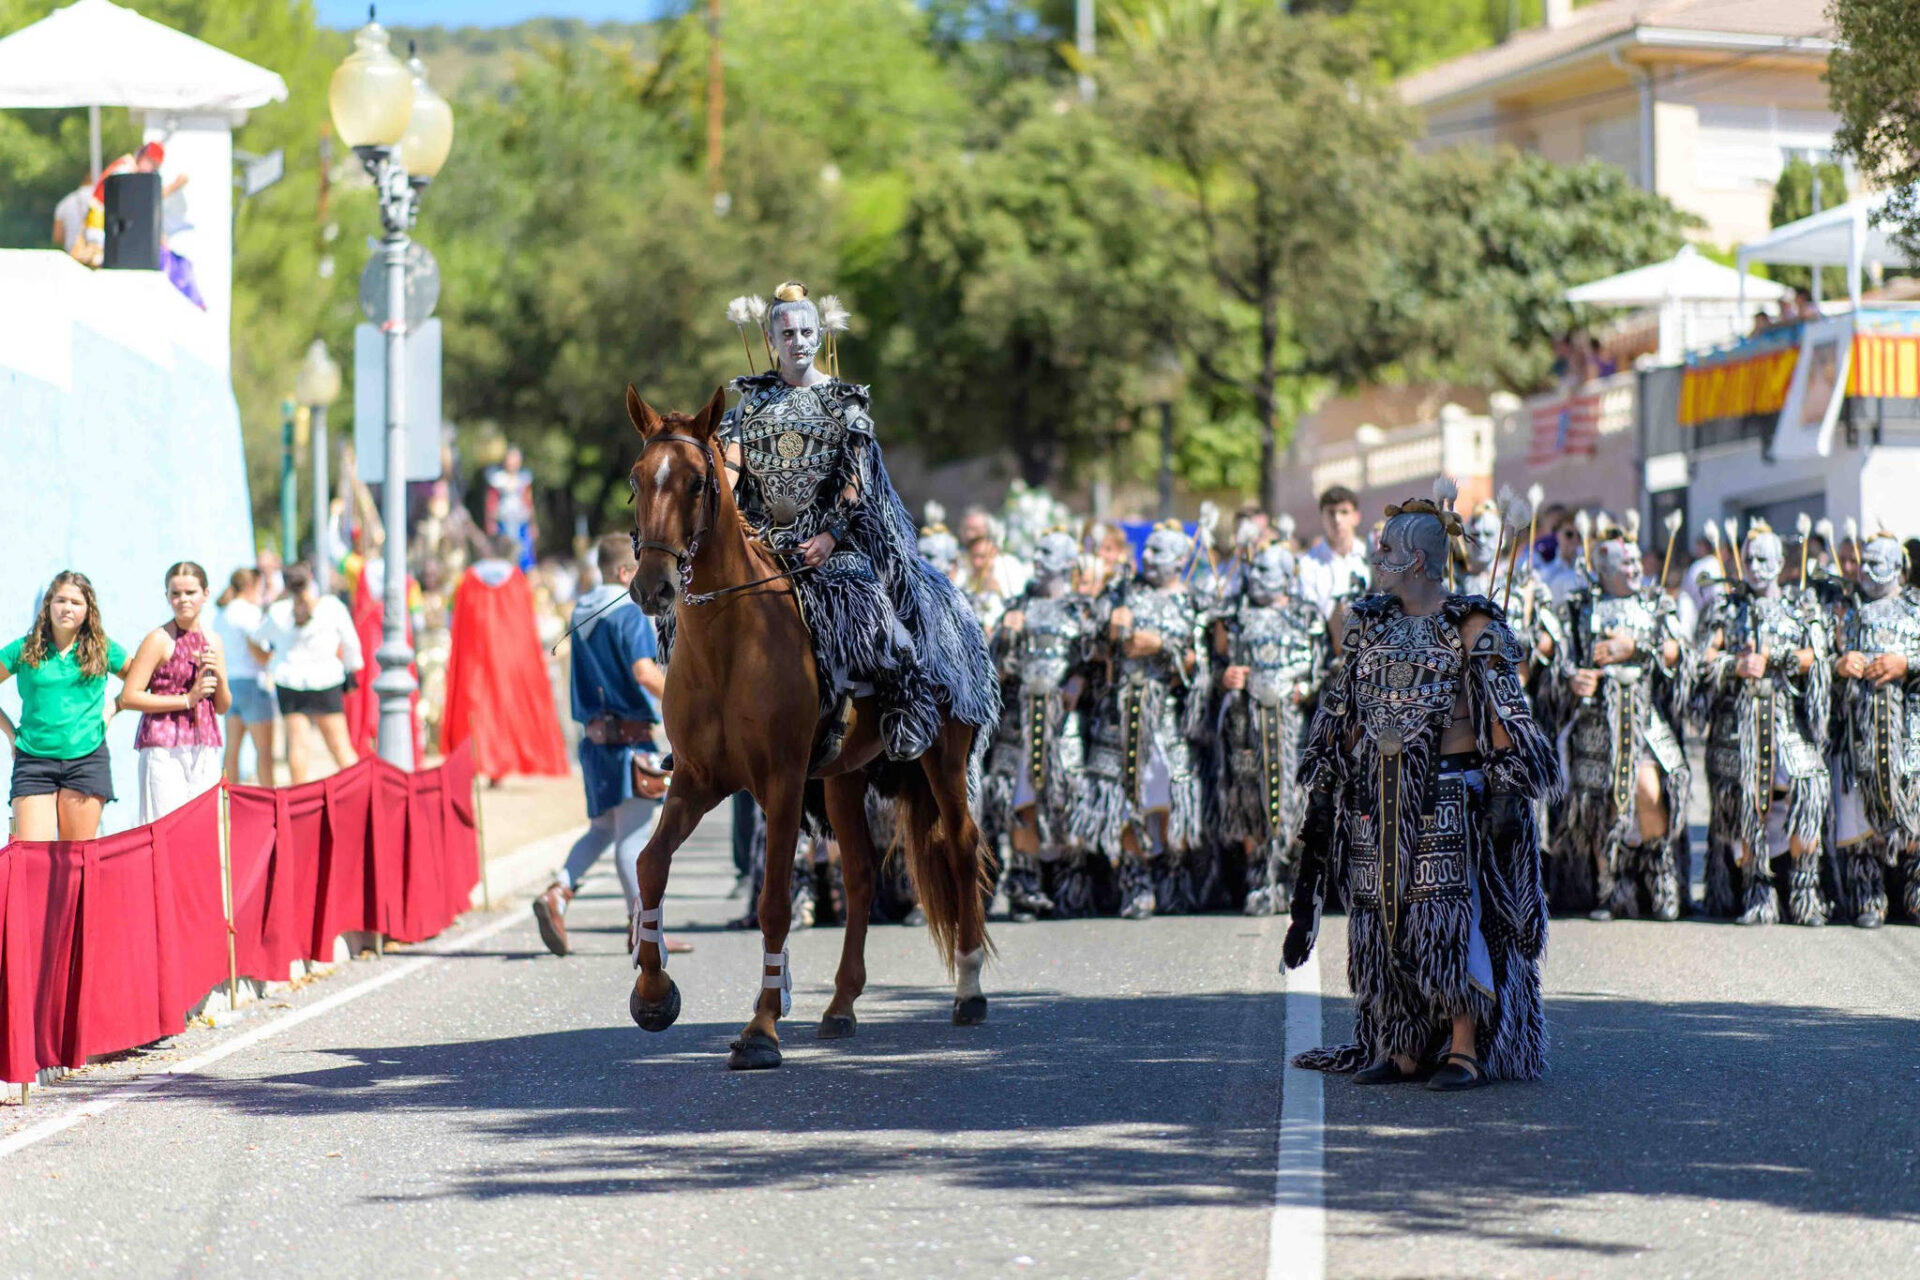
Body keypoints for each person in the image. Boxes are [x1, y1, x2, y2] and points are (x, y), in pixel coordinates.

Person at [1283, 482, 1561, 1091]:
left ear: (1414, 560)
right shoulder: (1367, 624)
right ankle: (1402, 1044)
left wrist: (1505, 795)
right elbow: (1343, 710)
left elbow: (1505, 717)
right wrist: (1325, 787)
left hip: (1447, 795)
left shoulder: (1473, 624)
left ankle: (1464, 1047)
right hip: (1375, 796)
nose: (1375, 557)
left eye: (1385, 550)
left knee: (1446, 920)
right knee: (1380, 920)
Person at [712, 282, 997, 762]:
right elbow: (732, 466)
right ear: (770, 339)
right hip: (761, 543)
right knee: (700, 604)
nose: (798, 342)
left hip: (832, 542)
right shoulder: (750, 401)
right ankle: (702, 723)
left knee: (872, 610)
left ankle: (906, 705)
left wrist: (831, 535)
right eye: (787, 334)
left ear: (820, 335)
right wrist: (723, 500)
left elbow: (855, 481)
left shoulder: (845, 400)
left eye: (807, 332)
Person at [532, 535, 690, 958]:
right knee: (633, 840)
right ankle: (644, 929)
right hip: (629, 742)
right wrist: (685, 699)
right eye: (638, 569)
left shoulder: (580, 612)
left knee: (603, 829)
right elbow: (644, 672)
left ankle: (559, 892)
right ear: (624, 573)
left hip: (595, 742)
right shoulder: (628, 611)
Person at [1547, 519, 1693, 920]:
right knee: (1599, 806)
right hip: (1595, 723)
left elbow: (1679, 651)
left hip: (1643, 717)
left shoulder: (1655, 603)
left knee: (1649, 791)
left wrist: (1634, 647)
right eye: (1624, 563)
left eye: (1635, 561)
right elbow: (1561, 660)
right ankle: (1611, 890)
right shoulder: (1580, 607)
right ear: (1603, 566)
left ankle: (1660, 880)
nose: (1634, 568)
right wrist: (1573, 678)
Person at [1694, 521, 1831, 925]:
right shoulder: (1725, 607)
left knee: (1809, 789)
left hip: (1788, 723)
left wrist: (1776, 659)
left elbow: (1817, 655)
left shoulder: (1801, 605)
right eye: (1749, 559)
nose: (1754, 567)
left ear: (1781, 561)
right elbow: (1704, 659)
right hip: (1738, 726)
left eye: (1763, 559)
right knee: (1745, 801)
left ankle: (1805, 893)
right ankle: (1757, 893)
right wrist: (1735, 665)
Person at [1074, 522, 1211, 919]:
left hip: (1167, 717)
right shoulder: (1121, 592)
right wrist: (1109, 631)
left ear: (1181, 560)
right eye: (1146, 549)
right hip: (1118, 714)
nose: (1147, 557)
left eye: (1158, 551)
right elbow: (1087, 645)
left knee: (1167, 797)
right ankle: (1135, 881)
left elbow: (1202, 662)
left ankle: (1171, 879)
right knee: (1119, 799)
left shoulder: (1193, 601)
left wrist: (1161, 645)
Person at [982, 531, 1096, 920]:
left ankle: (1069, 887)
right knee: (1021, 800)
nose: (1038, 556)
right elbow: (996, 671)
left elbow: (1096, 659)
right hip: (1020, 721)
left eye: (1048, 551)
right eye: (1037, 550)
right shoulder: (1017, 607)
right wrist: (1007, 636)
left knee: (1067, 798)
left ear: (1068, 561)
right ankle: (1025, 884)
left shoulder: (1081, 610)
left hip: (1063, 724)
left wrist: (1079, 678)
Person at [1209, 538, 1325, 915]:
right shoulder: (1235, 615)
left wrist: (1305, 689)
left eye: (1265, 569)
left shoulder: (1307, 615)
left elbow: (1323, 667)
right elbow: (1213, 662)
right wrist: (1224, 676)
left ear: (1286, 575)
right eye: (1254, 568)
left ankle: (1292, 879)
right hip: (1246, 726)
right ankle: (1260, 879)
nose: (1255, 576)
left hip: (1293, 727)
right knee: (1250, 801)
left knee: (1297, 800)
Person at [1829, 533, 1920, 928]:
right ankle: (1868, 896)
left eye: (1876, 563)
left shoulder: (1917, 609)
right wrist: (1839, 665)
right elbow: (1823, 662)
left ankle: (1916, 894)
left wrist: (1906, 663)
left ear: (1898, 567)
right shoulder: (1848, 613)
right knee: (1860, 813)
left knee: (1914, 808)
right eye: (1863, 562)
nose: (1865, 570)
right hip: (1861, 728)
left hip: (1911, 728)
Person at [0, 571, 131, 841]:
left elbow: (141, 680)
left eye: (76, 602)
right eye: (60, 600)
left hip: (87, 759)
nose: (67, 608)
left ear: (88, 609)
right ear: (48, 604)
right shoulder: (23, 649)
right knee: (32, 854)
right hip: (33, 761)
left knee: (76, 857)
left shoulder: (103, 648)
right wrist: (10, 733)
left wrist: (113, 708)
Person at [441, 536, 570, 782]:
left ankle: (480, 759)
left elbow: (455, 621)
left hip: (474, 654)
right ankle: (502, 761)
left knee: (478, 705)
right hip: (510, 656)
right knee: (508, 703)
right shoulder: (516, 579)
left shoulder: (467, 579)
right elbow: (526, 624)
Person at [118, 562, 231, 823]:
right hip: (162, 745)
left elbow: (222, 706)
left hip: (204, 745)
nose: (183, 600)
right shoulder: (159, 639)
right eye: (175, 593)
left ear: (205, 594)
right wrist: (187, 699)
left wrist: (218, 675)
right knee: (164, 827)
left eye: (190, 592)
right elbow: (129, 696)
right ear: (167, 596)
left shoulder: (213, 640)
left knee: (203, 828)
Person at [251, 564, 362, 785]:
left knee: (298, 745)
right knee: (340, 746)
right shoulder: (332, 607)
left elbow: (257, 638)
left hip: (289, 681)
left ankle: (299, 799)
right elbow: (351, 644)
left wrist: (271, 658)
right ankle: (359, 792)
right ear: (310, 578)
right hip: (327, 680)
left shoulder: (279, 611)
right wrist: (352, 668)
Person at [214, 568, 276, 785]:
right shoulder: (250, 613)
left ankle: (230, 798)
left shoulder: (222, 614)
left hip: (230, 684)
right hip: (253, 683)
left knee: (232, 748)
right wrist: (272, 654)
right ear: (250, 586)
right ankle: (269, 797)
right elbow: (260, 653)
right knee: (264, 750)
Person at [1296, 486, 1370, 620]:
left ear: (1356, 517)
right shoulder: (1307, 564)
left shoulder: (1371, 558)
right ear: (1322, 518)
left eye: (1344, 512)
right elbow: (1308, 613)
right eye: (1331, 513)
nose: (1337, 519)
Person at [484, 446, 538, 572]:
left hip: (521, 523)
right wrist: (490, 523)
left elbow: (529, 502)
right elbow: (491, 502)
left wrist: (533, 524)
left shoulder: (524, 479)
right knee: (505, 555)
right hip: (503, 523)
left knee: (524, 555)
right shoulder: (497, 479)